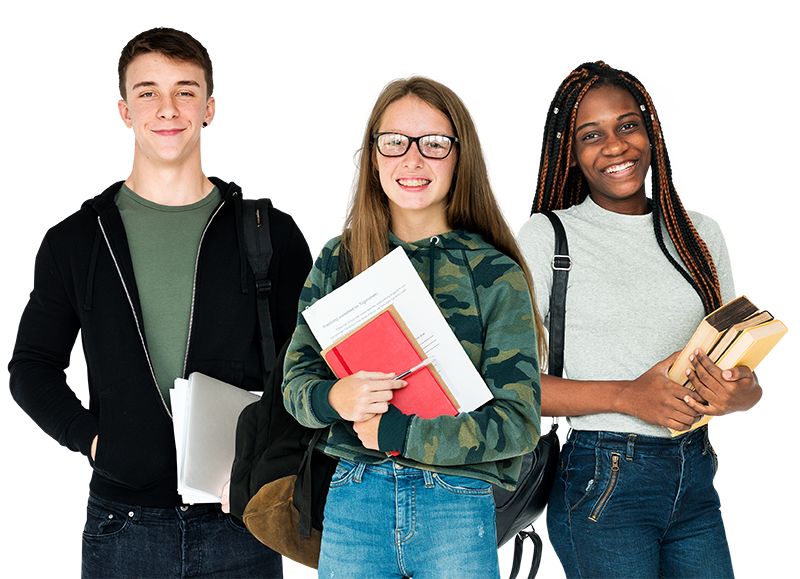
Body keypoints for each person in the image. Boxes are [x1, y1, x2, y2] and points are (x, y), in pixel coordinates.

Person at [8, 26, 312, 579]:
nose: (167, 108)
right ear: (125, 111)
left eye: (185, 90)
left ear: (209, 108)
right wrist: (92, 439)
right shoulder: (77, 240)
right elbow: (31, 366)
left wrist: (274, 464)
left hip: (243, 519)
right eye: (147, 92)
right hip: (123, 527)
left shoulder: (270, 233)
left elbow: (310, 367)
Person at [282, 77, 545, 578]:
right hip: (353, 499)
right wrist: (335, 399)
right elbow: (294, 385)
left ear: (458, 156)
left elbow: (521, 422)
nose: (413, 159)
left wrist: (402, 432)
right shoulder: (339, 259)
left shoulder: (494, 274)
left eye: (435, 144)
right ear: (374, 154)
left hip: (456, 502)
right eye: (395, 142)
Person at [516, 59, 762, 579]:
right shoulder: (546, 237)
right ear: (571, 152)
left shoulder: (698, 235)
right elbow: (500, 385)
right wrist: (627, 396)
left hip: (695, 471)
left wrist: (738, 392)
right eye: (591, 135)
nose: (615, 146)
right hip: (600, 480)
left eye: (627, 125)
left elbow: (740, 369)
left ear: (651, 132)